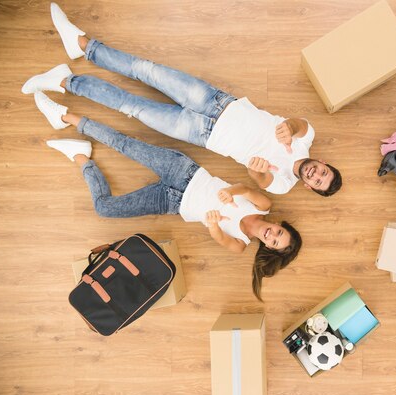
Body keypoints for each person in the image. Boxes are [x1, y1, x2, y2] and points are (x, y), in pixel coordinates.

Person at [23, 3, 343, 197]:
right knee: (146, 70)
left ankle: (65, 81)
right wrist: (288, 126)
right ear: (323, 164)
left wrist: (258, 169)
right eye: (323, 172)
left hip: (199, 133)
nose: (316, 175)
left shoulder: (285, 184)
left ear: (310, 187)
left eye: (317, 182)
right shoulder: (306, 140)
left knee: (131, 106)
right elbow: (301, 125)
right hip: (218, 103)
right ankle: (82, 45)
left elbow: (260, 179)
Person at [43, 109, 302, 301]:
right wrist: (229, 192)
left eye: (275, 242)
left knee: (104, 208)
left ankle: (80, 156)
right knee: (123, 144)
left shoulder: (241, 245)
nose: (272, 235)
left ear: (269, 248)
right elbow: (246, 189)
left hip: (172, 203)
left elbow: (220, 238)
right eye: (279, 232)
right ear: (278, 225)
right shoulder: (264, 206)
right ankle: (67, 117)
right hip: (184, 173)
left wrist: (213, 225)